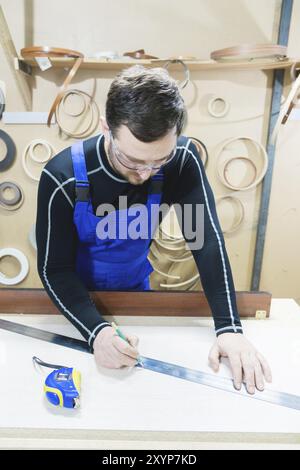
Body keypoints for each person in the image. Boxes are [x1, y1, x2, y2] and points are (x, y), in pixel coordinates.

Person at [36, 65, 272, 394]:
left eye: (159, 160)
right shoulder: (63, 176)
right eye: (132, 160)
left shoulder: (182, 161)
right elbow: (55, 269)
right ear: (107, 127)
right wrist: (96, 332)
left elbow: (204, 243)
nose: (146, 173)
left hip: (136, 291)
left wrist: (229, 328)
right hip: (74, 299)